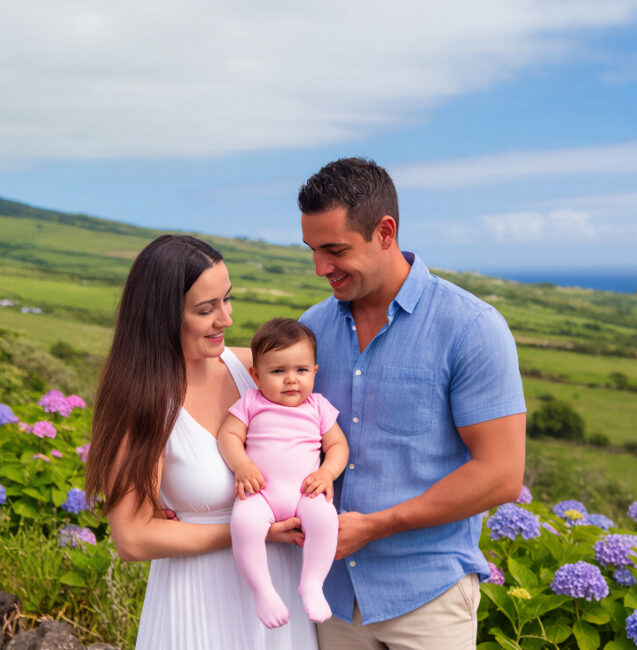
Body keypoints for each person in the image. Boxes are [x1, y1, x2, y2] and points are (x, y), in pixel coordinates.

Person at [297, 158, 527, 649]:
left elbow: (502, 474)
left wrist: (377, 526)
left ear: (385, 231)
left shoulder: (472, 328)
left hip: (429, 598)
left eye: (334, 250)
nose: (320, 269)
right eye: (312, 251)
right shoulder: (311, 329)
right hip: (332, 598)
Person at [84, 235, 318, 649]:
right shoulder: (143, 401)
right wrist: (253, 531)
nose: (225, 319)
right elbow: (133, 538)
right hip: (198, 602)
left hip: (281, 598)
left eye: (227, 300)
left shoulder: (256, 370)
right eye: (206, 309)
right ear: (161, 316)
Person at [218, 318, 350, 629]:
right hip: (260, 494)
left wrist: (328, 473)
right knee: (243, 524)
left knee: (326, 520)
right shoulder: (252, 402)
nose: (291, 380)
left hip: (306, 492)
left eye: (301, 371)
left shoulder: (318, 407)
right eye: (278, 371)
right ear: (256, 375)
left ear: (314, 372)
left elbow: (338, 446)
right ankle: (262, 590)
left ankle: (312, 584)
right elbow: (228, 436)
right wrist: (243, 466)